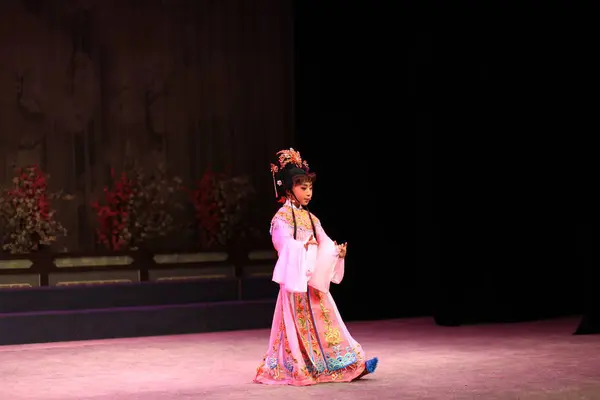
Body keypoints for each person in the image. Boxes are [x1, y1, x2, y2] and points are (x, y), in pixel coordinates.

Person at [254, 148, 378, 386]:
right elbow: (283, 245)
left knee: (329, 321)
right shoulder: (281, 219)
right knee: (296, 329)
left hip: (313, 284)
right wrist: (302, 249)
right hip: (295, 286)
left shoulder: (313, 219)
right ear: (289, 189)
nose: (308, 192)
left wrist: (336, 251)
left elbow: (324, 242)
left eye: (310, 187)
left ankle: (351, 364)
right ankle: (298, 367)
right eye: (303, 187)